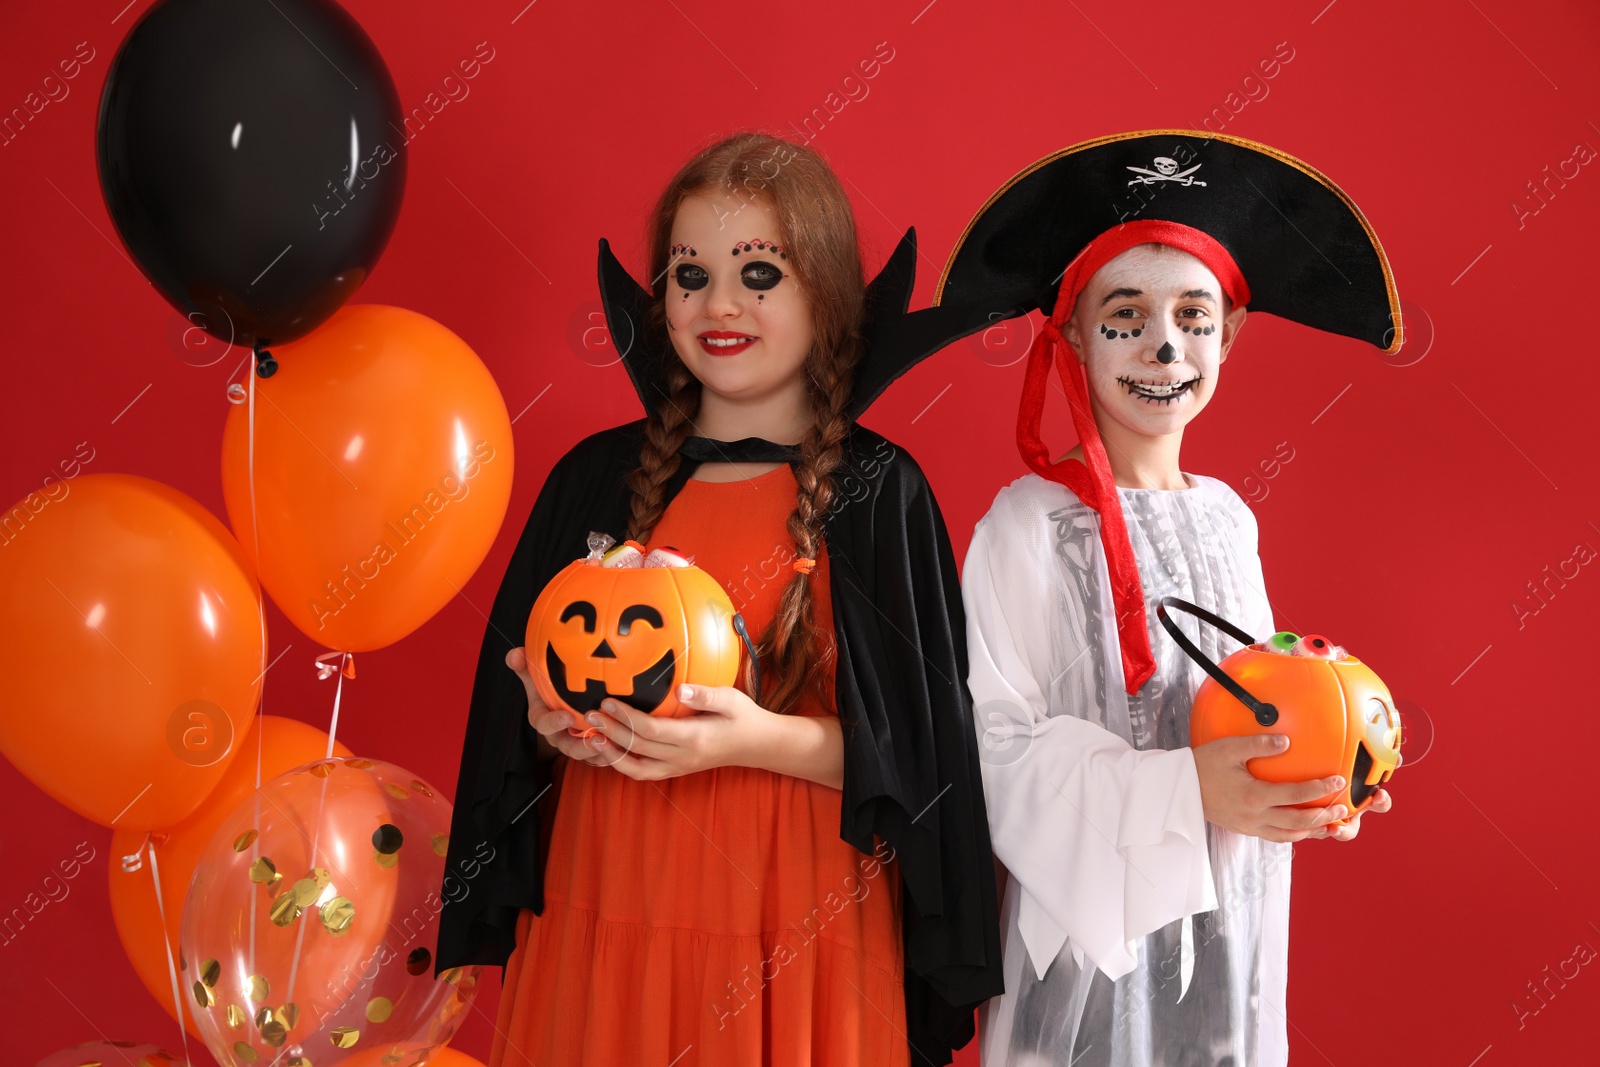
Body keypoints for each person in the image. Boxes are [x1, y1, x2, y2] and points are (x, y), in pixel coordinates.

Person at [434, 131, 1004, 1066]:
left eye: (759, 273)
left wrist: (750, 739)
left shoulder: (880, 493)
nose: (720, 303)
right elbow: (517, 736)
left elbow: (928, 762)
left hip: (795, 923)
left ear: (824, 292)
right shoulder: (593, 478)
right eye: (689, 274)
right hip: (606, 895)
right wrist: (543, 717)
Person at [934, 131, 1404, 1065]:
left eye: (1194, 314)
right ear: (1068, 332)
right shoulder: (1026, 525)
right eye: (1126, 313)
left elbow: (1241, 701)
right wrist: (1184, 789)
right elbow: (990, 751)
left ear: (1228, 335)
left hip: (1231, 937)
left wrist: (1318, 773)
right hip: (1087, 967)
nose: (1163, 343)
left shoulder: (1230, 519)